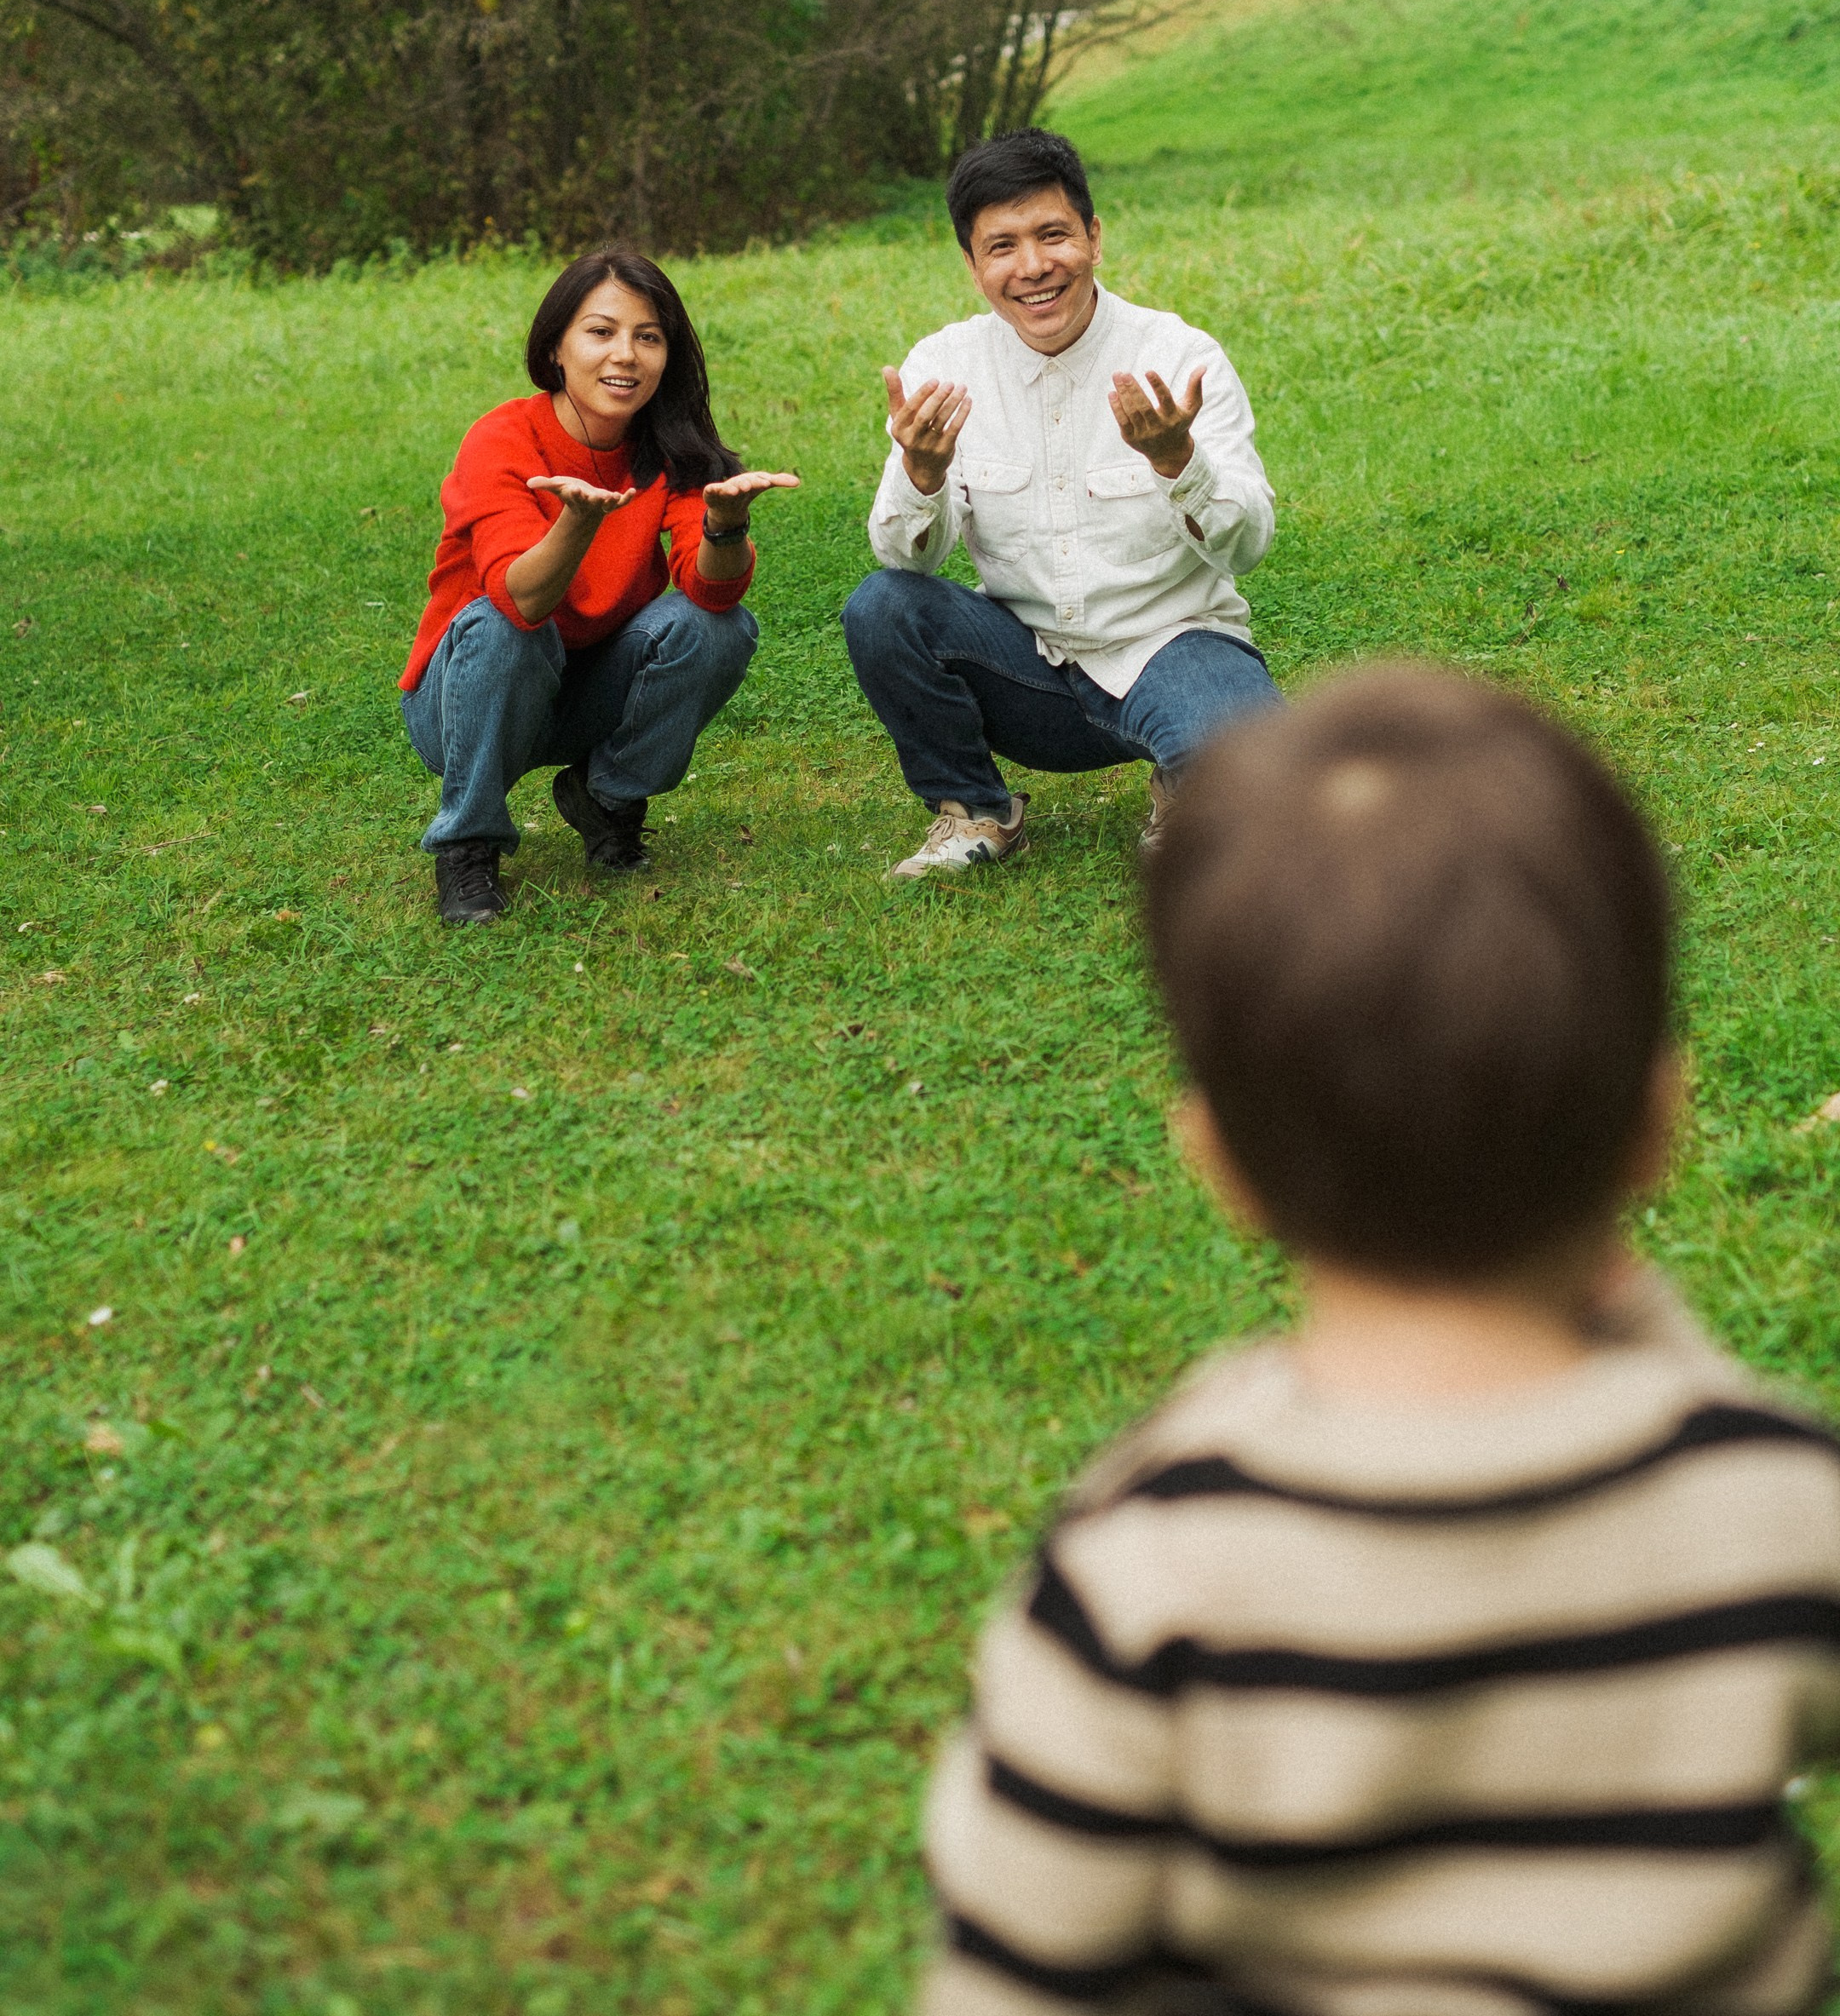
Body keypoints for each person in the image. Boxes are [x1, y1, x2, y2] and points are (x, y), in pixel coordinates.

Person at [921, 663, 1840, 2016]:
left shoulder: (1144, 1566)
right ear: (1660, 1124)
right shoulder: (1774, 1499)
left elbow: (1016, 1971)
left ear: (1222, 1167)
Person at [842, 128, 1278, 881]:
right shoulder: (943, 367)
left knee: (1256, 780)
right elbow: (905, 560)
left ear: (1094, 238)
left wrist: (1176, 461)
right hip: (1026, 666)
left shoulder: (1179, 358)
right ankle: (974, 811)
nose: (1034, 267)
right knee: (883, 606)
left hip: (1172, 648)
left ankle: (1187, 791)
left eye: (1053, 235)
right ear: (973, 266)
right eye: (1002, 247)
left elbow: (1248, 545)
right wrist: (922, 473)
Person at [400, 247, 796, 925]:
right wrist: (578, 522)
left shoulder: (673, 448)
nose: (626, 356)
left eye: (649, 337)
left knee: (720, 628)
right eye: (601, 332)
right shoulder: (502, 438)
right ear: (556, 347)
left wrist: (725, 526)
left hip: (584, 692)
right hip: (468, 701)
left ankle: (605, 798)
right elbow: (522, 600)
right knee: (505, 626)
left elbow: (713, 595)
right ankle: (467, 846)